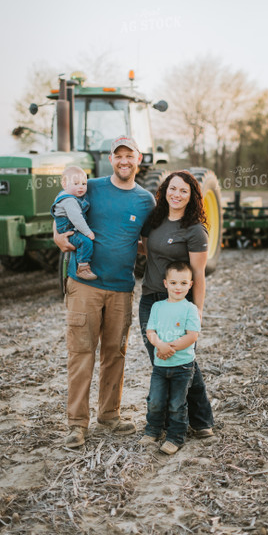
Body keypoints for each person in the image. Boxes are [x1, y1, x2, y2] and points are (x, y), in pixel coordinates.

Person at [54, 136, 155, 448]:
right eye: (118, 156)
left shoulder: (145, 200)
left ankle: (109, 415)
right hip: (85, 286)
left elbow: (147, 243)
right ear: (111, 159)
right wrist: (58, 236)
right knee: (81, 354)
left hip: (121, 289)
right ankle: (76, 424)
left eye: (130, 156)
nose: (124, 161)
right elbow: (60, 210)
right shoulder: (91, 187)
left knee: (116, 353)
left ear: (139, 159)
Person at [139, 170, 214, 438]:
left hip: (181, 304)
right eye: (173, 188)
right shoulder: (155, 220)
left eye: (184, 190)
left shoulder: (194, 230)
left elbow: (198, 275)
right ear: (164, 191)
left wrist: (198, 310)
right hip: (151, 300)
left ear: (192, 195)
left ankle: (201, 421)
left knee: (183, 363)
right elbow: (146, 250)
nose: (177, 194)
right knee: (161, 361)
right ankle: (164, 421)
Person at [140, 261, 201, 455]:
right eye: (174, 283)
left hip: (182, 367)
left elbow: (192, 335)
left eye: (183, 283)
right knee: (155, 400)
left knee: (177, 404)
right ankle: (153, 430)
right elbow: (150, 330)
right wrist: (160, 345)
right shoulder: (157, 307)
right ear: (165, 283)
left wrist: (170, 348)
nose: (178, 287)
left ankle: (175, 437)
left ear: (190, 285)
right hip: (160, 366)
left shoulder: (190, 309)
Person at [51, 165, 97, 280]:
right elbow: (77, 219)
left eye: (84, 184)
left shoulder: (67, 195)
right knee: (85, 242)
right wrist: (87, 232)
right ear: (65, 184)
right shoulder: (69, 200)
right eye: (76, 184)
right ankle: (83, 268)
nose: (80, 187)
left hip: (70, 227)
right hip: (68, 230)